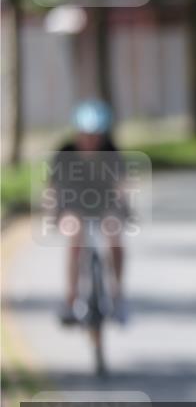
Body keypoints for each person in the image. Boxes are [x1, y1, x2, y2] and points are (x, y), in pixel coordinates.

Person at [51, 100, 129, 326]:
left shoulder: (111, 151)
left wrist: (123, 209)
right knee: (75, 234)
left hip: (105, 206)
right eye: (85, 134)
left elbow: (122, 185)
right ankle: (71, 299)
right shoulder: (65, 152)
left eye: (95, 135)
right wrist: (53, 213)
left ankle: (117, 295)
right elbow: (52, 189)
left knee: (114, 234)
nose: (90, 140)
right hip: (72, 207)